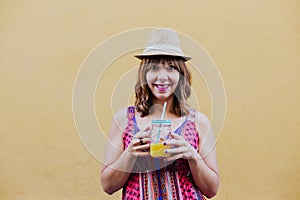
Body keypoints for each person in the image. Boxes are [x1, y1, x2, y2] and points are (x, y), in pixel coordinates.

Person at [100, 28, 219, 199]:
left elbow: (212, 189)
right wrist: (130, 154)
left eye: (171, 68)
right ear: (144, 74)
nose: (162, 77)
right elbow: (108, 186)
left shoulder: (198, 121)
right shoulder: (124, 119)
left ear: (181, 74)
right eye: (154, 67)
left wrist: (193, 156)